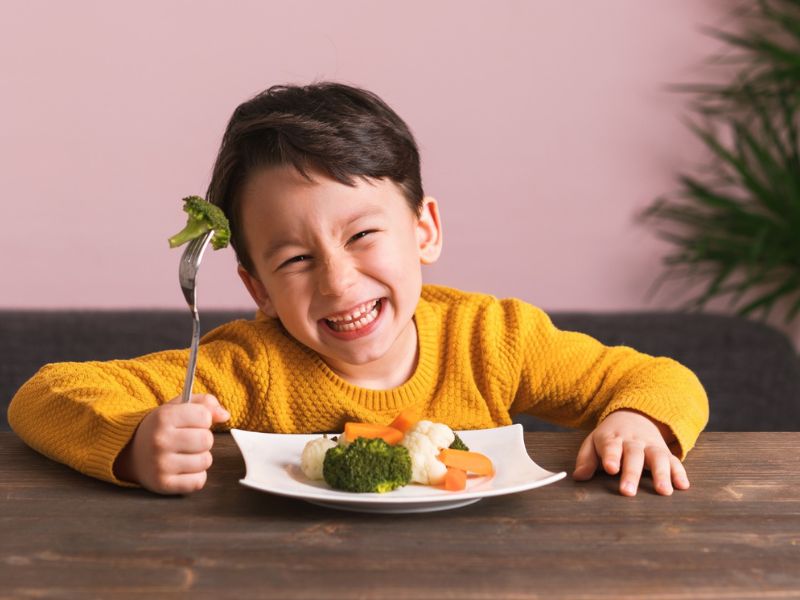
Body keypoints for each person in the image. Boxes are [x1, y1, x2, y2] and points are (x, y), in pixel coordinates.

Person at [8, 82, 708, 497]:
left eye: (363, 236)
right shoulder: (244, 369)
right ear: (256, 287)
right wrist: (133, 444)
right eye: (293, 260)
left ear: (424, 229)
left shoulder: (493, 339)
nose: (339, 281)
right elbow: (43, 396)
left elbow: (659, 377)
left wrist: (642, 420)